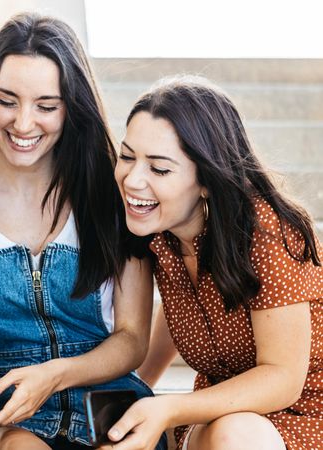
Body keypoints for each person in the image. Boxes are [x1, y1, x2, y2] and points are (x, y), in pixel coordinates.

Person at [0, 13, 166, 450]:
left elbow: (133, 338)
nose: (23, 124)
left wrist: (55, 374)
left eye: (46, 106)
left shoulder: (112, 192)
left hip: (109, 400)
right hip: (11, 411)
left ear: (70, 107)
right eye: (7, 101)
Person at [109, 75, 322, 450]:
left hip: (303, 410)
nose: (133, 179)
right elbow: (185, 306)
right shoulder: (160, 231)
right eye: (127, 157)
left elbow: (283, 378)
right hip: (221, 410)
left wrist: (168, 409)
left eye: (159, 169)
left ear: (206, 179)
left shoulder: (267, 233)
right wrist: (137, 392)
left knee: (234, 435)